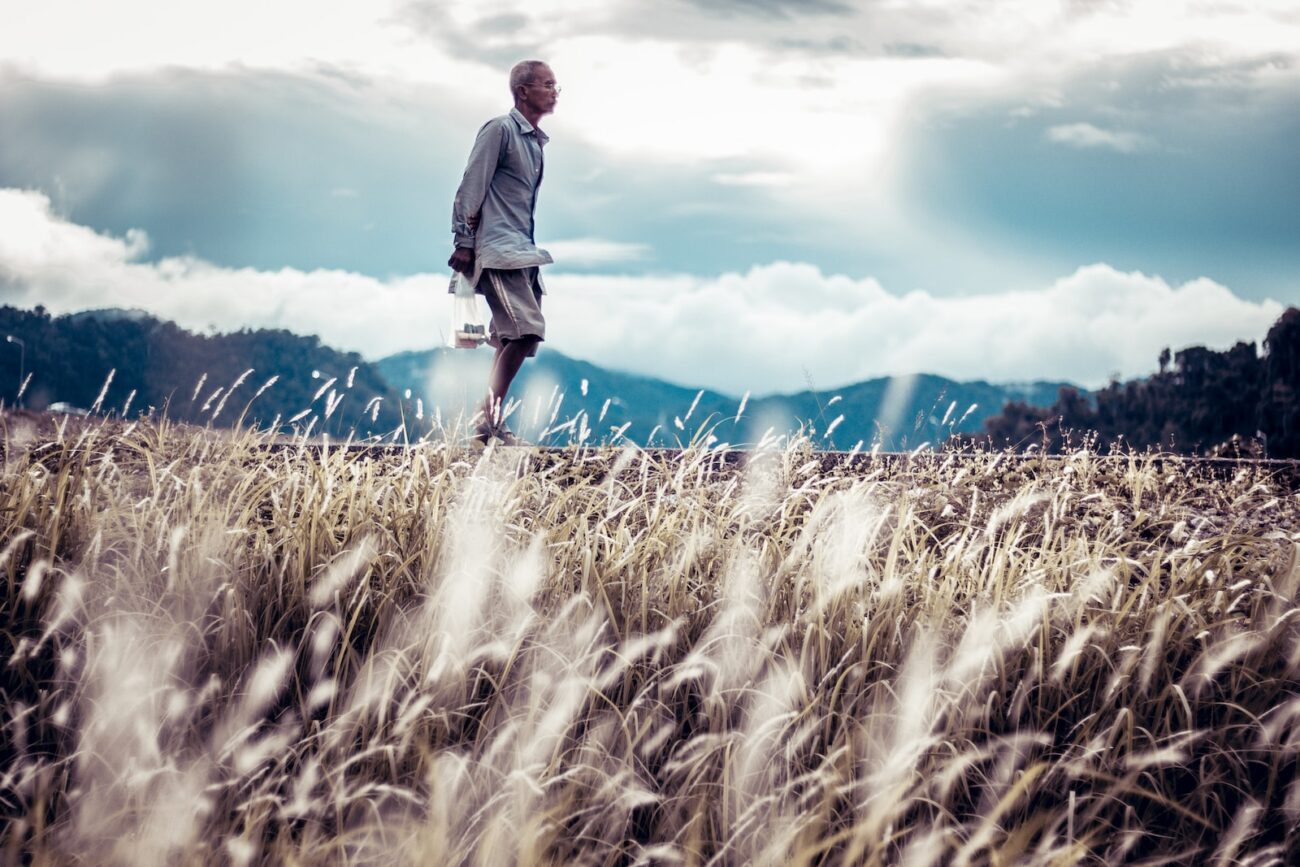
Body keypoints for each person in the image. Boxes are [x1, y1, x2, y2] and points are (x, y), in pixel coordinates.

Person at [448, 59, 560, 447]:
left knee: (517, 338)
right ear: (523, 91)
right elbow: (471, 183)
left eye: (556, 85)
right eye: (547, 84)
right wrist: (463, 240)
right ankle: (486, 418)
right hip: (497, 249)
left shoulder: (536, 143)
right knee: (527, 329)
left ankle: (488, 423)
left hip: (522, 250)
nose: (554, 92)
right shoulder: (500, 130)